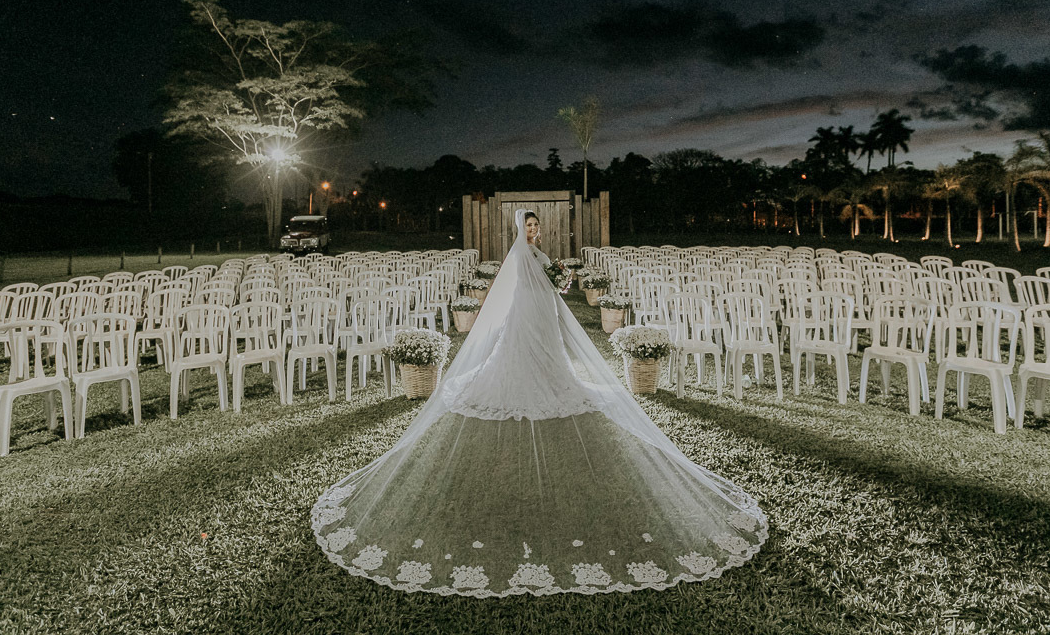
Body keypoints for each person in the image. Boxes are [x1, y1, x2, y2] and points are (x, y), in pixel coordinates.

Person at [311, 208, 767, 597]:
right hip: (522, 319)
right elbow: (509, 294)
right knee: (515, 360)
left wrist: (561, 283)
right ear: (519, 230)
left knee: (553, 363)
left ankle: (552, 379)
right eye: (527, 226)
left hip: (544, 318)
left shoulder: (543, 256)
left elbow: (555, 287)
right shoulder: (516, 256)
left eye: (536, 226)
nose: (533, 231)